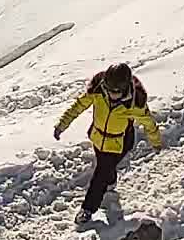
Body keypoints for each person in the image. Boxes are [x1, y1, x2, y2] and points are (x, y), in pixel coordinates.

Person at [54, 63, 164, 224]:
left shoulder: (134, 104)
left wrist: (156, 142)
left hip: (120, 142)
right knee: (106, 168)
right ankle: (110, 182)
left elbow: (149, 124)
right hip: (99, 138)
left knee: (100, 174)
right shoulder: (98, 92)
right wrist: (62, 125)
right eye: (109, 90)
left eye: (116, 92)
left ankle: (88, 209)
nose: (112, 94)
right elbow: (78, 106)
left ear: (125, 88)